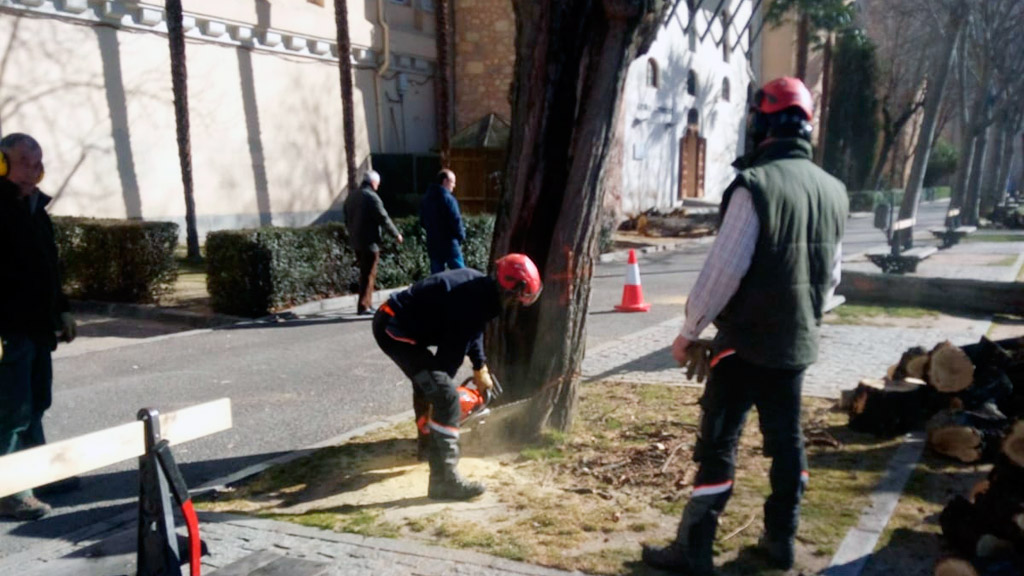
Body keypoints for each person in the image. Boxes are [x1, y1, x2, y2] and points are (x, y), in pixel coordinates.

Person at [641, 77, 848, 575]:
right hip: (795, 347)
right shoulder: (834, 190)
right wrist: (804, 322)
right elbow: (831, 276)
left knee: (718, 445)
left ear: (762, 123)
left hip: (744, 346)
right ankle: (781, 541)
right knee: (787, 444)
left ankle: (694, 549)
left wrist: (688, 332)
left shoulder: (755, 185)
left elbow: (724, 272)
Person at [371, 254, 541, 500]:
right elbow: (449, 358)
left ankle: (428, 447)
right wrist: (442, 397)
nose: (516, 304)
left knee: (430, 385)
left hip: (398, 323)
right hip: (393, 329)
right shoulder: (472, 299)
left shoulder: (481, 291)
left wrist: (480, 366)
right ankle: (444, 480)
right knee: (445, 396)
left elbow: (474, 330)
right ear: (510, 288)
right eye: (517, 298)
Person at [0, 133, 79, 520]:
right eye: (25, 161)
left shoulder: (35, 208)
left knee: (35, 404)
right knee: (9, 411)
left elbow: (48, 268)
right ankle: (10, 490)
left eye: (38, 161)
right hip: (6, 330)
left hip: (36, 327)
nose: (35, 168)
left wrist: (61, 310)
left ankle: (40, 470)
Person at [344, 170, 403, 315]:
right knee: (368, 274)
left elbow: (346, 218)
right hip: (370, 242)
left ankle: (367, 304)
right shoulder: (371, 197)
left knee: (364, 273)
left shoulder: (352, 196)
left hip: (356, 241)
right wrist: (396, 234)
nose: (378, 186)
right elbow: (383, 217)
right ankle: (364, 306)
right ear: (373, 182)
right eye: (377, 183)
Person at [420, 169, 465, 274]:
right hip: (450, 243)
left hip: (433, 243)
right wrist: (461, 236)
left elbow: (422, 221)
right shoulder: (448, 199)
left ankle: (438, 290)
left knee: (436, 276)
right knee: (461, 273)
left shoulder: (426, 199)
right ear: (445, 181)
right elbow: (456, 220)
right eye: (452, 182)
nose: (454, 186)